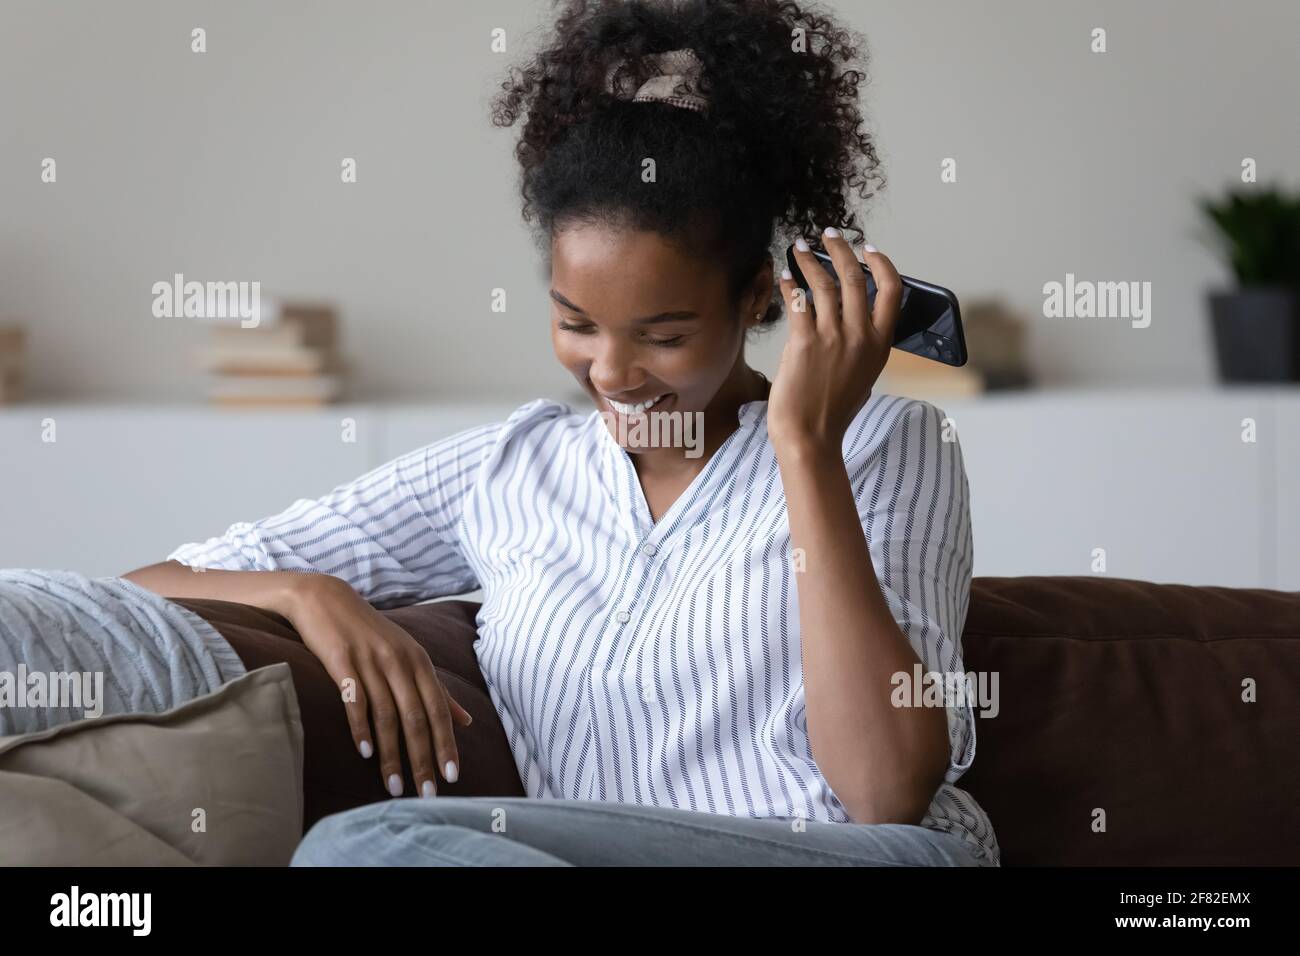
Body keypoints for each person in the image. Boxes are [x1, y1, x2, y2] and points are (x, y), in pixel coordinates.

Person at [126, 0, 999, 867]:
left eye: (664, 335)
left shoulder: (886, 443)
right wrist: (308, 593)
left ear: (762, 299)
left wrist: (804, 445)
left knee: (367, 850)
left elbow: (886, 792)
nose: (614, 374)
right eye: (576, 322)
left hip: (854, 854)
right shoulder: (511, 470)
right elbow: (145, 588)